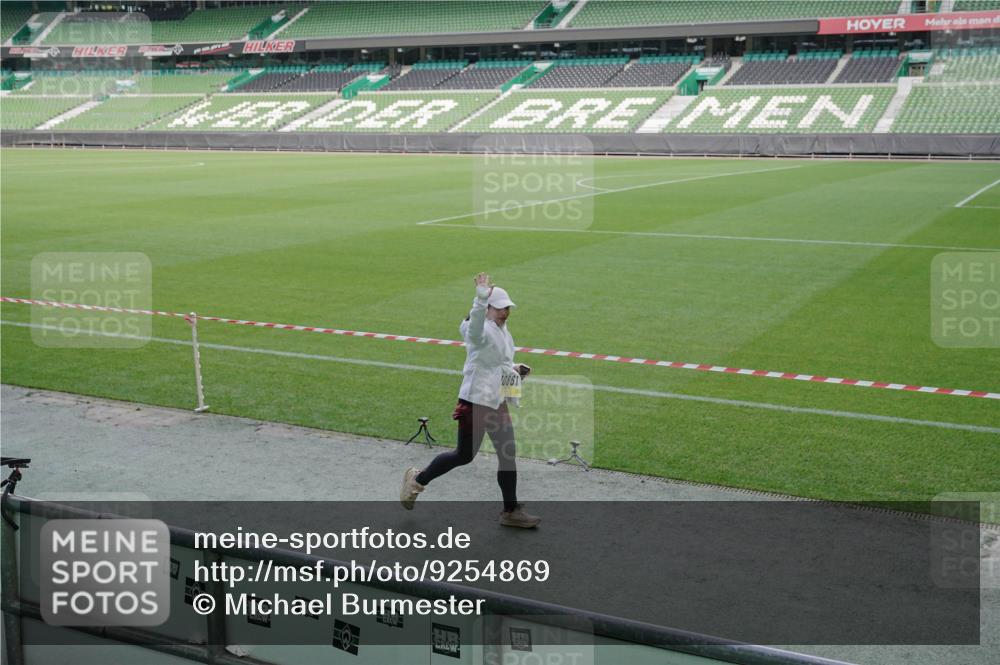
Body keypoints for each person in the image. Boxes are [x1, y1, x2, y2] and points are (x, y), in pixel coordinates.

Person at [400, 272, 539, 528]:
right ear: (487, 309)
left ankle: (510, 511)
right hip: (475, 402)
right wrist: (479, 299)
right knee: (464, 455)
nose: (505, 312)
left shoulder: (502, 331)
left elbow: (501, 364)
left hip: (496, 402)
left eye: (507, 308)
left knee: (507, 454)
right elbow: (474, 327)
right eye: (500, 308)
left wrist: (515, 370)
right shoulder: (480, 330)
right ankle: (418, 480)